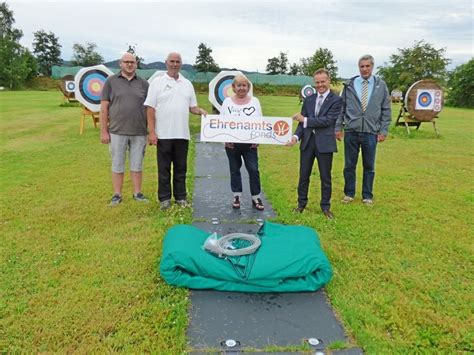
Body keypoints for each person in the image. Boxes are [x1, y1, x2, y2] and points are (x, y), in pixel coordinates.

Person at [144, 52, 207, 210]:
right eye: (172, 61)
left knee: (181, 168)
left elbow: (191, 107)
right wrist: (152, 132)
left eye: (177, 61)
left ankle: (181, 197)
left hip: (182, 135)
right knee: (164, 169)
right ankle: (164, 199)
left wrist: (200, 111)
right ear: (166, 63)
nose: (174, 64)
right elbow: (150, 108)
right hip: (163, 134)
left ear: (181, 64)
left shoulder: (187, 84)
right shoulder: (157, 82)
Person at [335, 54, 391, 205]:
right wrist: (338, 127)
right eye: (362, 66)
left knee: (369, 166)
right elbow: (342, 108)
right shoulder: (349, 85)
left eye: (367, 66)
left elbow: (386, 109)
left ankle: (367, 195)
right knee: (349, 165)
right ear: (359, 67)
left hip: (371, 132)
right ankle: (349, 193)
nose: (364, 69)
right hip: (352, 131)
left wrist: (384, 130)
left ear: (372, 67)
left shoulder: (381, 86)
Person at [287, 69, 342, 219]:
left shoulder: (336, 100)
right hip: (307, 143)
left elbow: (327, 121)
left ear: (328, 81)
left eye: (322, 81)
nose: (319, 85)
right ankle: (301, 204)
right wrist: (295, 137)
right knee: (303, 175)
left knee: (325, 177)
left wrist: (304, 120)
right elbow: (301, 124)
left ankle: (325, 207)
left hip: (325, 144)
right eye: (317, 82)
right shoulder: (309, 99)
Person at [100, 52, 150, 206]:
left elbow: (150, 108)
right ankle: (117, 194)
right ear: (120, 64)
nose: (129, 64)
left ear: (136, 64)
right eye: (126, 62)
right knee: (117, 163)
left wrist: (151, 130)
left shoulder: (143, 83)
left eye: (132, 62)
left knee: (137, 164)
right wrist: (103, 131)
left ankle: (137, 193)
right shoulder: (111, 81)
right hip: (117, 130)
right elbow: (104, 107)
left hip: (139, 131)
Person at [221, 75, 265, 211]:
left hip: (250, 145)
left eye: (244, 85)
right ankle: (237, 195)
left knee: (253, 170)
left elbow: (260, 122)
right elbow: (221, 123)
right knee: (234, 170)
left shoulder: (255, 101)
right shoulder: (227, 102)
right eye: (238, 85)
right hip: (232, 145)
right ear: (233, 87)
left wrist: (257, 139)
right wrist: (225, 140)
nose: (241, 88)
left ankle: (256, 196)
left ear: (248, 87)